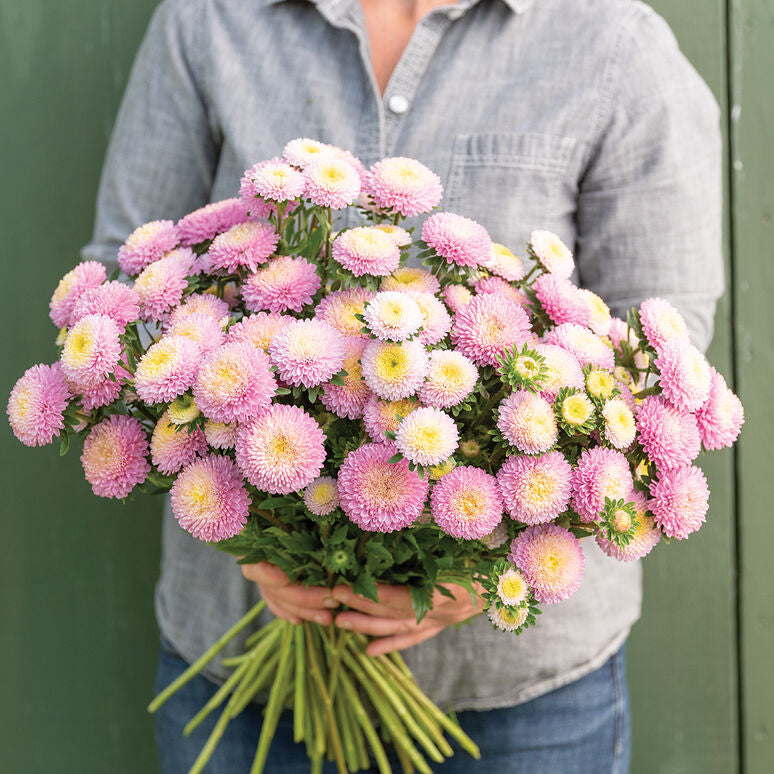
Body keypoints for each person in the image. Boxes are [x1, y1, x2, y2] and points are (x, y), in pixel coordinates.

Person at [83, 0, 723, 771]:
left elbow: (662, 348)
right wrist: (244, 523)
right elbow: (127, 280)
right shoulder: (210, 18)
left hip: (519, 704)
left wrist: (490, 566)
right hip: (245, 662)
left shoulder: (616, 40)